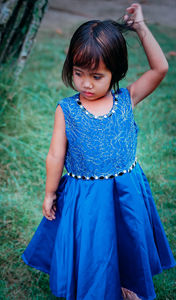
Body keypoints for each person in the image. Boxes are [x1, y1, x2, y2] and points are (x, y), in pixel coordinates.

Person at [21, 3, 176, 300]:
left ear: (114, 72)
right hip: (87, 197)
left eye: (97, 76)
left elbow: (161, 68)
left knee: (127, 242)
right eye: (79, 73)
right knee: (96, 248)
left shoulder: (127, 99)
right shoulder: (66, 110)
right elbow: (55, 155)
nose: (86, 84)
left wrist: (140, 28)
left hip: (126, 192)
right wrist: (50, 192)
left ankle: (128, 287)